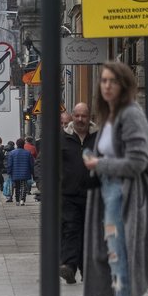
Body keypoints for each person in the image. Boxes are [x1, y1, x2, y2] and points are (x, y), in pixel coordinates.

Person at [82, 61, 148, 296]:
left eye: (113, 81)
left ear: (125, 85)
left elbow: (139, 161)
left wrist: (100, 163)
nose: (107, 86)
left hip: (125, 198)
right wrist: (93, 158)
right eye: (104, 81)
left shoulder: (131, 113)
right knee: (118, 267)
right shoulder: (110, 116)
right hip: (110, 198)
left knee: (124, 270)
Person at [59, 103, 97, 285]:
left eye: (84, 116)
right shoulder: (62, 138)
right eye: (77, 116)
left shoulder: (98, 138)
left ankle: (85, 268)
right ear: (73, 117)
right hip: (69, 194)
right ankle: (69, 266)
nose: (80, 120)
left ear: (89, 117)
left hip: (94, 195)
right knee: (71, 229)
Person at [7, 138, 34, 206]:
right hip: (25, 172)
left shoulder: (12, 153)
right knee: (23, 186)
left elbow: (10, 164)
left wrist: (9, 172)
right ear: (23, 144)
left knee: (17, 187)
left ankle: (17, 201)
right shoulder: (28, 153)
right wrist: (32, 172)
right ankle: (22, 199)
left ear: (16, 144)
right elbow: (31, 164)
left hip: (15, 172)